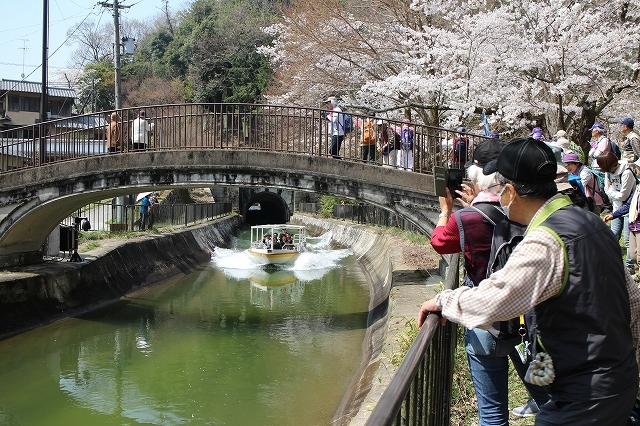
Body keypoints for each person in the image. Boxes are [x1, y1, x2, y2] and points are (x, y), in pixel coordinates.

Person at [419, 137, 640, 426]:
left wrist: (443, 300)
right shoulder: (592, 223)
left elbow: (495, 300)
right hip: (617, 380)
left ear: (510, 191)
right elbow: (633, 302)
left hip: (581, 396)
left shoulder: (546, 240)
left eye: (499, 187)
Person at [431, 138, 548, 425]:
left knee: (492, 413)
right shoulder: (533, 214)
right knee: (551, 401)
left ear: (475, 176)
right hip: (528, 321)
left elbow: (439, 243)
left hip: (486, 320)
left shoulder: (469, 218)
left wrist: (447, 211)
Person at [599, 151, 637, 274]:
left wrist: (612, 191)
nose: (600, 169)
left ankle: (629, 266)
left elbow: (623, 195)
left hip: (628, 209)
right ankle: (610, 261)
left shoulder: (626, 173)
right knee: (613, 235)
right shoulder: (608, 173)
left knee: (627, 239)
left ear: (607, 165)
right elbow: (606, 189)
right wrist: (612, 192)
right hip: (616, 208)